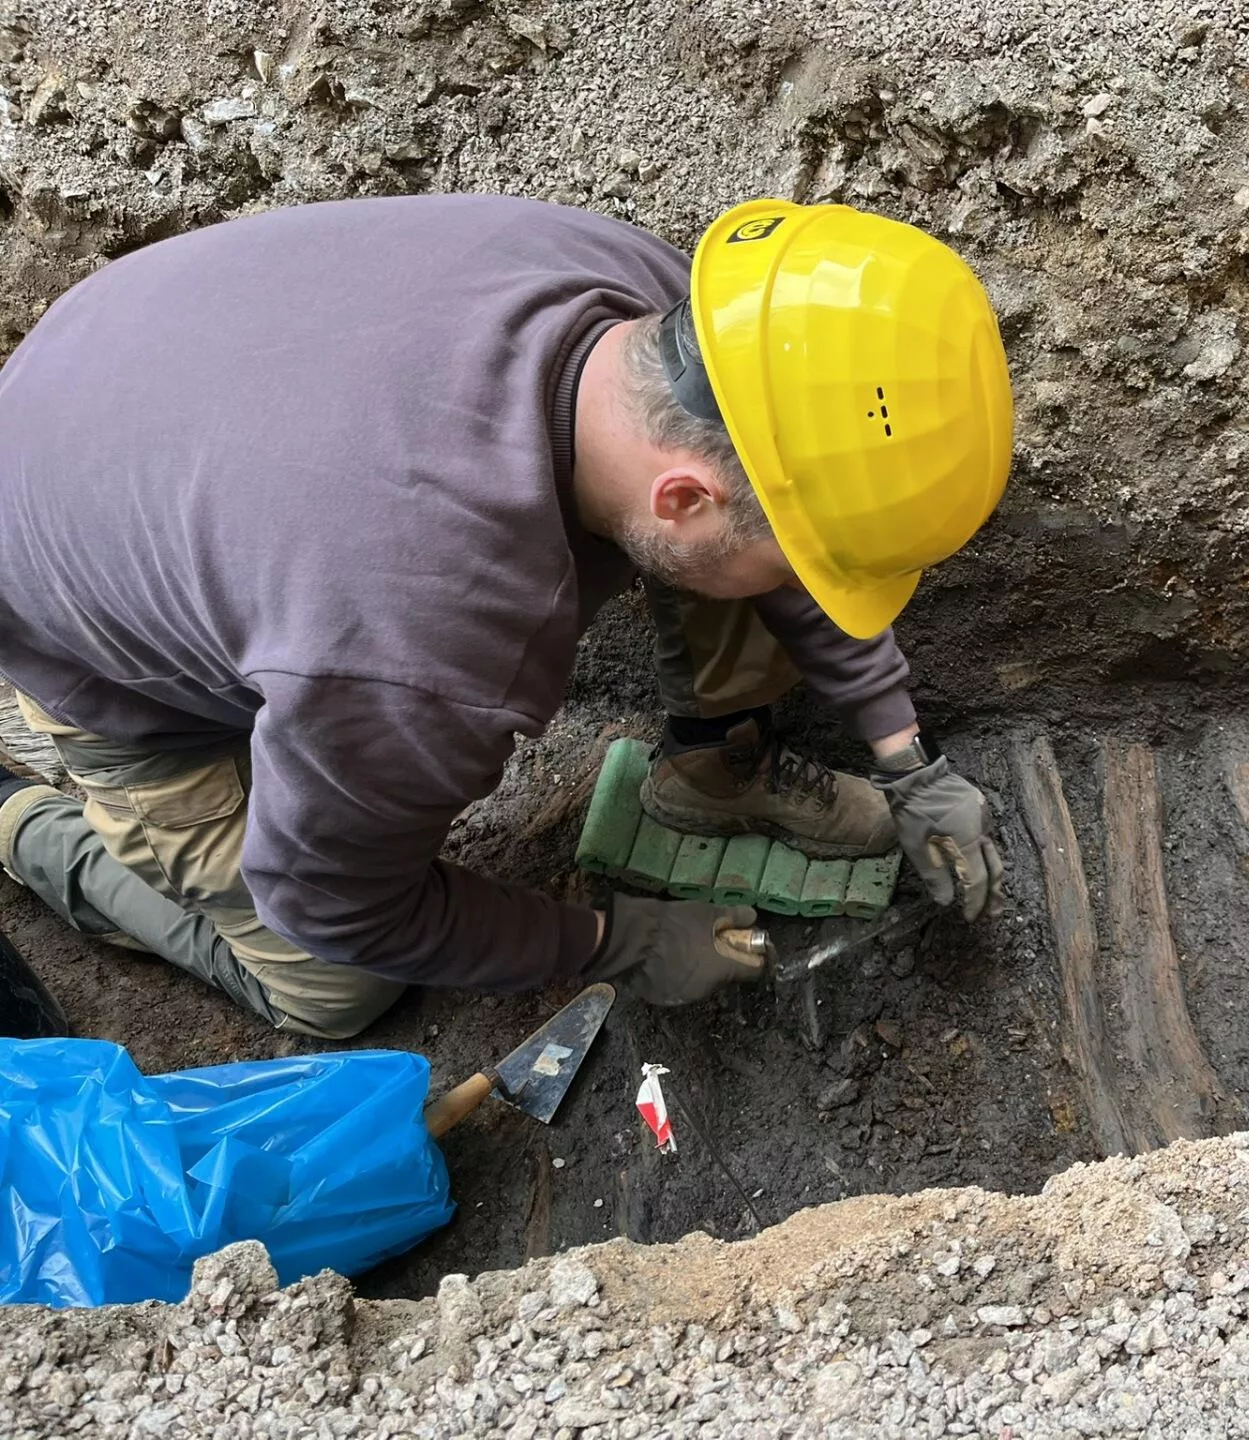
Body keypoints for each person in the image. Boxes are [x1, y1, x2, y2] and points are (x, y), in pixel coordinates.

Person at [0, 194, 1012, 1038]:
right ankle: (27, 823)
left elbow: (786, 513)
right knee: (332, 987)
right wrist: (614, 943)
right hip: (86, 633)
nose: (808, 579)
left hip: (134, 391)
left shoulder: (666, 315)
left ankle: (716, 769)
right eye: (806, 560)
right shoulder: (422, 642)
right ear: (681, 496)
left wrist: (903, 753)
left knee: (736, 568)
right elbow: (333, 901)